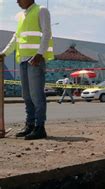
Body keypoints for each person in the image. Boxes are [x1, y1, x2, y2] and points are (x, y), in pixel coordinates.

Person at [0, 0, 53, 140]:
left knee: (36, 95)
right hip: (23, 60)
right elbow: (16, 38)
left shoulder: (41, 10)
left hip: (35, 60)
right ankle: (29, 125)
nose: (16, 1)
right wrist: (4, 53)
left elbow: (47, 33)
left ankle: (40, 127)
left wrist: (39, 54)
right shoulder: (21, 16)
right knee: (27, 96)